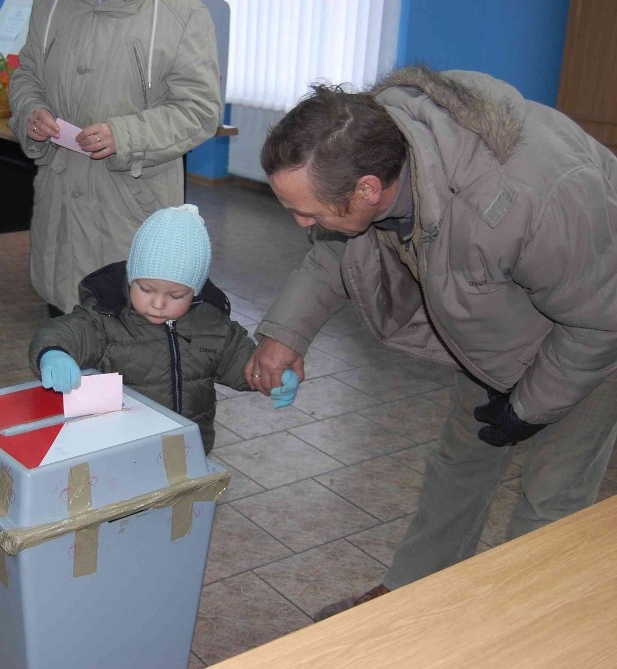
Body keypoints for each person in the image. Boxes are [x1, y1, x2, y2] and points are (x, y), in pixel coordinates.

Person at [245, 65, 617, 619]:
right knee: (461, 460)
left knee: (552, 497)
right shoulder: (374, 155)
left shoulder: (526, 197)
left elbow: (600, 319)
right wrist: (285, 333)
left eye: (307, 211)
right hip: (504, 316)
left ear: (370, 190)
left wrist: (529, 405)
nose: (302, 224)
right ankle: (413, 600)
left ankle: (531, 630)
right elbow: (336, 246)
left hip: (596, 327)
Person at [8, 0, 223, 315]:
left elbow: (200, 110)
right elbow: (27, 75)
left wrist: (124, 136)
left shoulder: (183, 14)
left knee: (131, 340)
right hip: (60, 215)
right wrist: (31, 111)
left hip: (129, 212)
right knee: (66, 328)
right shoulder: (50, 5)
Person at [28, 204, 299, 453]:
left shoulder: (213, 325)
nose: (158, 303)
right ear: (131, 277)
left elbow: (242, 362)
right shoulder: (106, 318)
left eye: (176, 295)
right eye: (145, 289)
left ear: (194, 292)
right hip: (119, 448)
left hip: (187, 448)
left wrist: (271, 376)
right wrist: (53, 353)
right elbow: (65, 332)